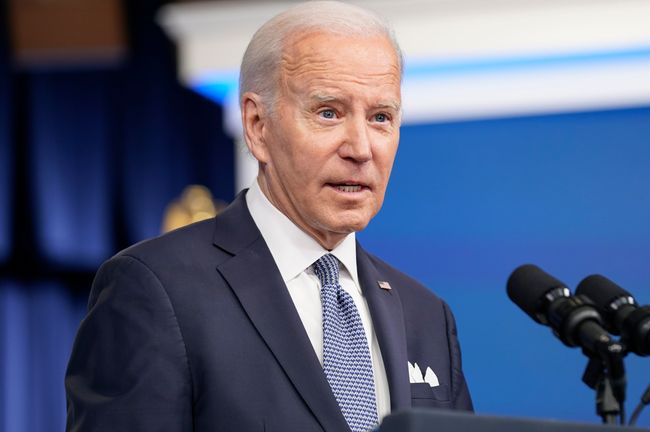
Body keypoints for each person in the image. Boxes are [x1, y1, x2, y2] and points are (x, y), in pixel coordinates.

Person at [65, 2, 472, 431]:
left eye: (380, 118)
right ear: (258, 126)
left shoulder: (426, 315)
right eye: (328, 112)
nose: (361, 148)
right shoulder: (155, 290)